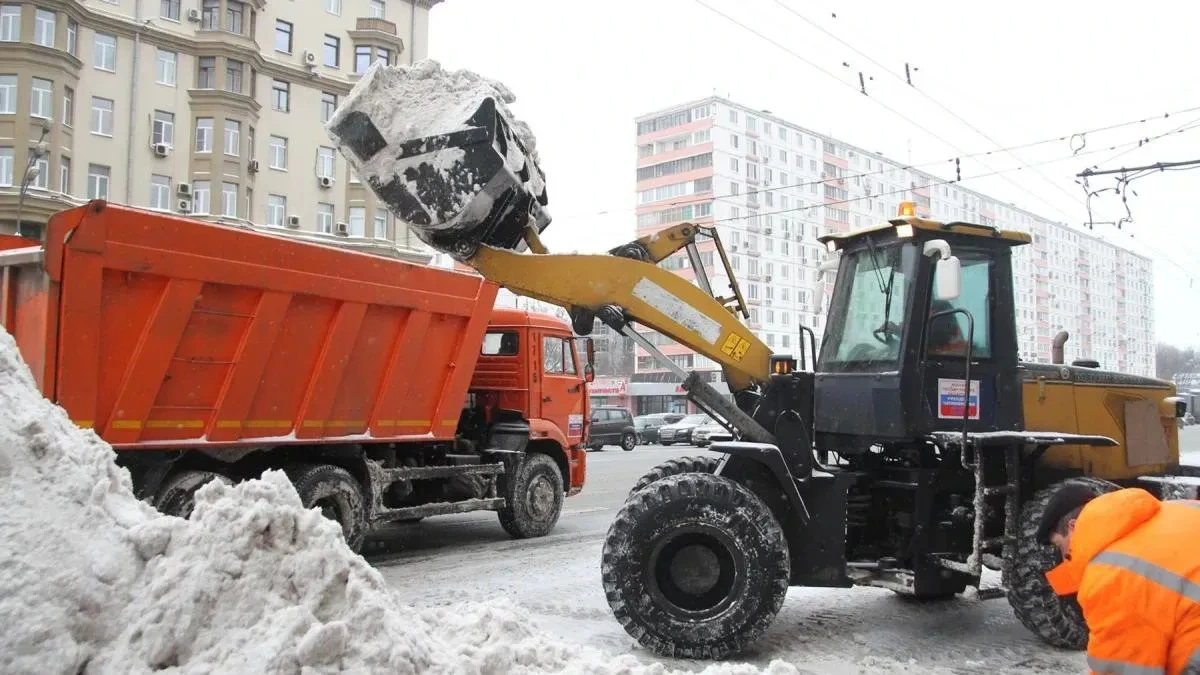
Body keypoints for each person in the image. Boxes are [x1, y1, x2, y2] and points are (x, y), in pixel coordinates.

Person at [1038, 484, 1200, 675]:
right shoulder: (1178, 509)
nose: (1063, 554)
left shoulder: (1109, 577)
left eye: (1059, 544)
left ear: (1073, 526)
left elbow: (1125, 668)